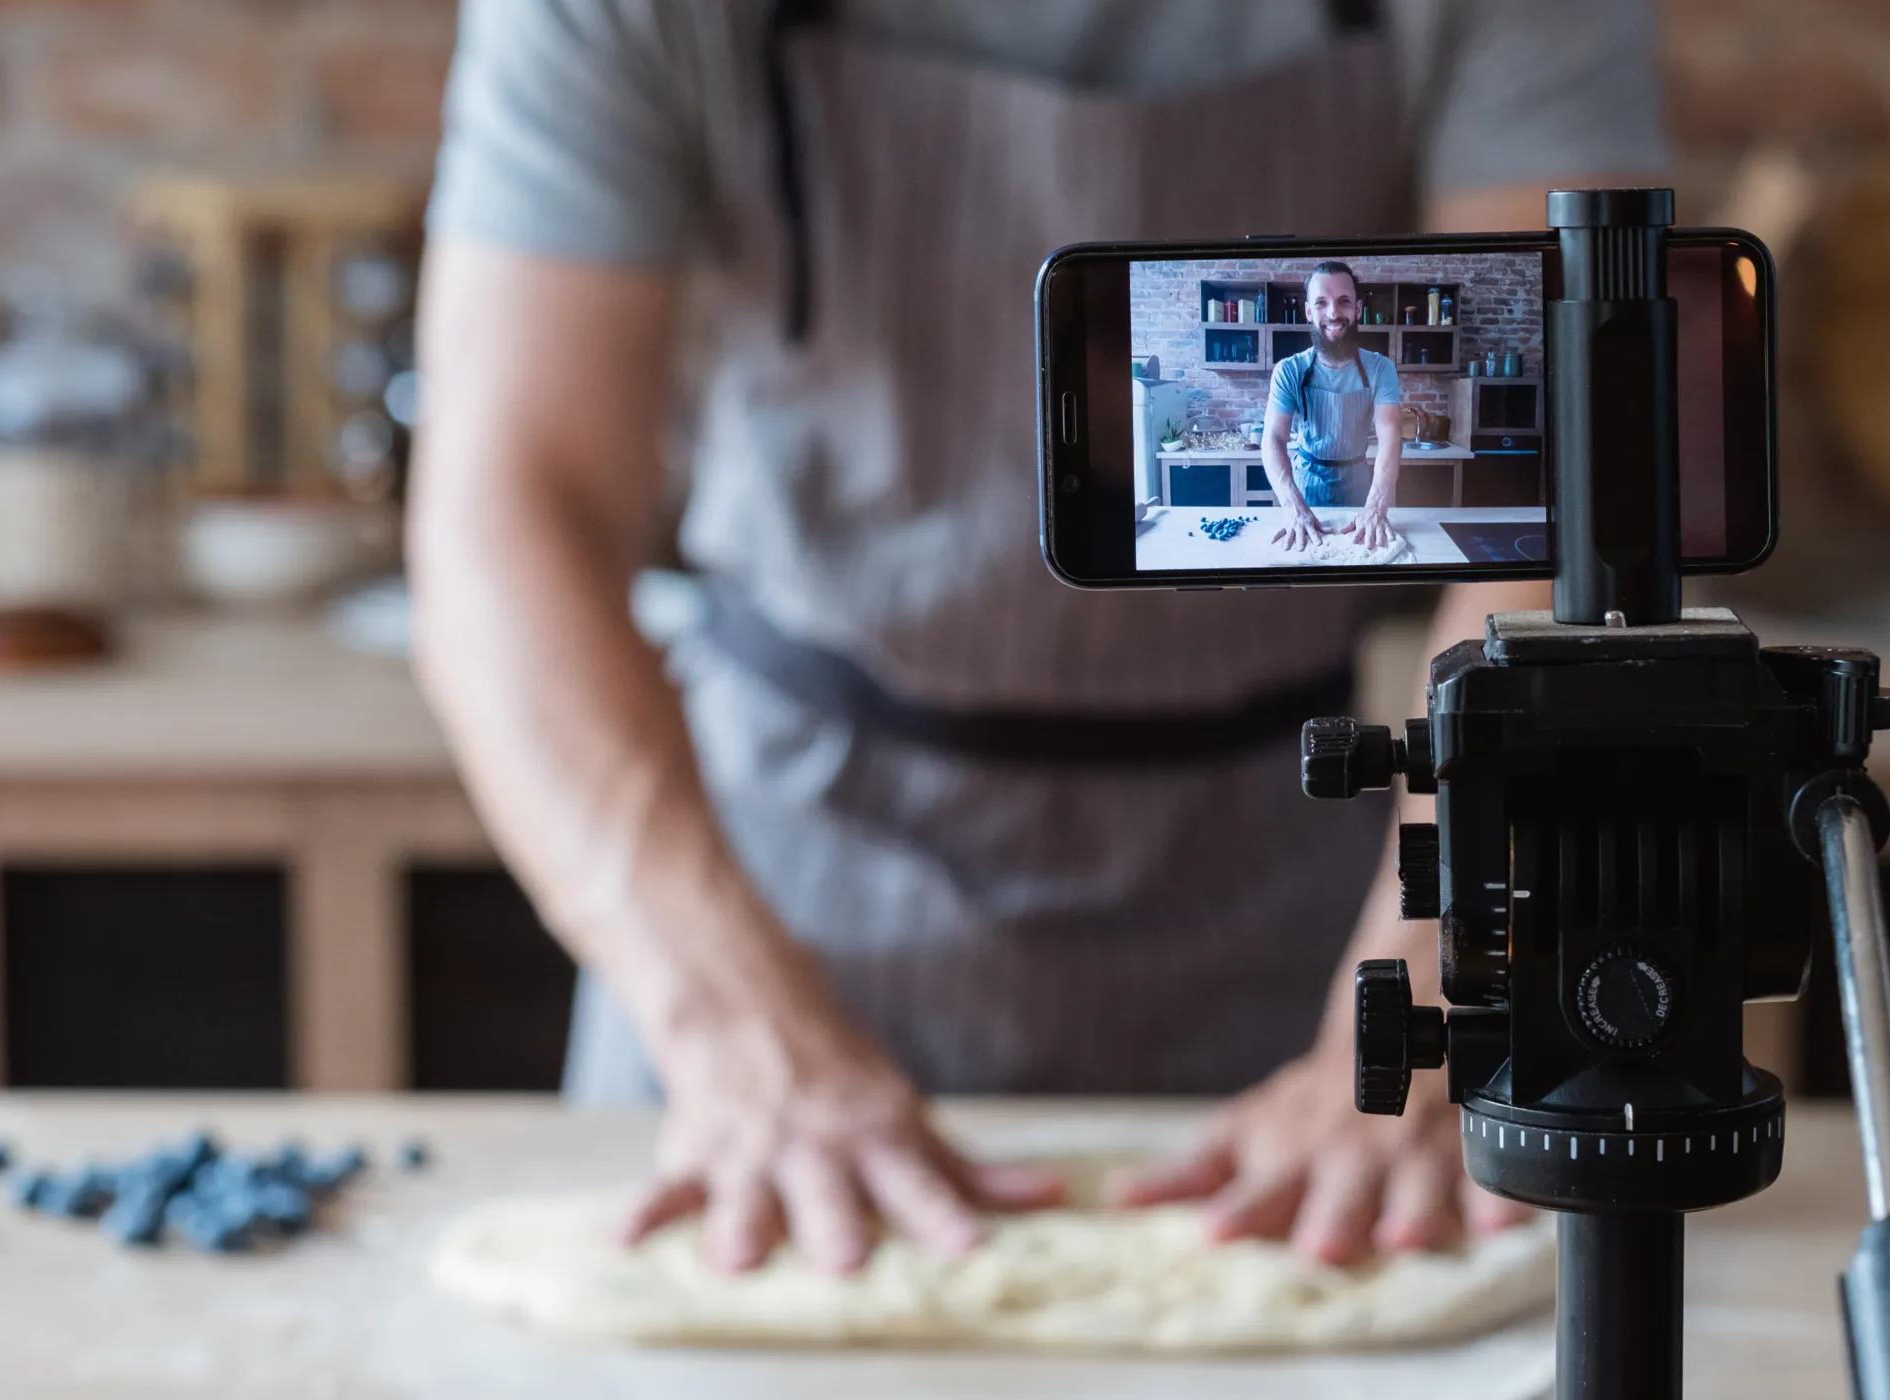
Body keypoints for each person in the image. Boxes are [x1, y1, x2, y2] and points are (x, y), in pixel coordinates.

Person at [411, 0, 1667, 1277]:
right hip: (770, 899)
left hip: (1302, 915)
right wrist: (733, 1025)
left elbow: (1572, 486)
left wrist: (1427, 998)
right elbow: (507, 510)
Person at [1264, 261, 1404, 552]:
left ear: (1357, 308)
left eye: (1343, 302)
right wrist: (1293, 507)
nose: (1333, 313)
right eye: (1321, 303)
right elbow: (1273, 439)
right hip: (1305, 491)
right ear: (1308, 312)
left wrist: (1376, 507)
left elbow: (1391, 439)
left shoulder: (1380, 369)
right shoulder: (1289, 370)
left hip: (1361, 491)